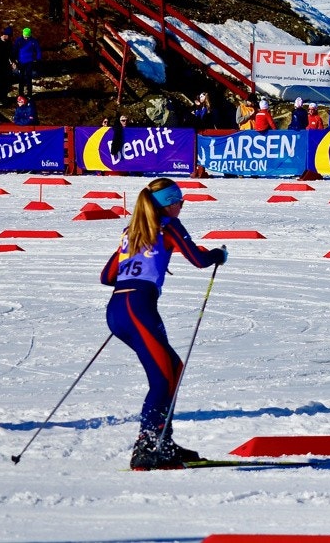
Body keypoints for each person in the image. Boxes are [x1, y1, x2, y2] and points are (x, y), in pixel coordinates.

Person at [100, 178, 227, 469]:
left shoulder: (131, 230)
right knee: (162, 378)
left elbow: (107, 276)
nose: (182, 205)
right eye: (179, 201)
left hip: (120, 309)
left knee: (173, 368)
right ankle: (147, 446)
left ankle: (163, 439)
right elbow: (198, 259)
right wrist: (218, 255)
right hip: (139, 308)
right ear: (170, 204)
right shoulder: (169, 225)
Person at [15, 27, 41, 97]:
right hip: (21, 61)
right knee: (21, 77)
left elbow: (38, 50)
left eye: (27, 37)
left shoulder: (33, 41)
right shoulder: (19, 40)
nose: (26, 38)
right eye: (25, 37)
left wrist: (38, 59)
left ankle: (29, 93)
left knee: (29, 77)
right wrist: (15, 59)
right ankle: (21, 93)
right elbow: (15, 49)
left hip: (30, 62)